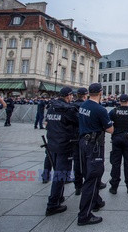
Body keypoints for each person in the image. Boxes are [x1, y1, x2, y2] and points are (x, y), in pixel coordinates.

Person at [77, 83, 113, 226]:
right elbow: (110, 129)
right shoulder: (100, 109)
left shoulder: (83, 105)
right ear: (100, 92)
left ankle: (96, 201)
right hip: (94, 146)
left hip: (84, 143)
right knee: (92, 178)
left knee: (91, 174)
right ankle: (84, 215)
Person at [45, 87, 77, 216]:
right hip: (64, 144)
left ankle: (59, 197)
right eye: (71, 96)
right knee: (61, 174)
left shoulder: (52, 106)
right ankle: (52, 204)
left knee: (59, 173)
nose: (72, 98)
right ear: (68, 96)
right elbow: (78, 121)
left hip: (52, 143)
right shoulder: (68, 109)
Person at [108, 94, 128, 194]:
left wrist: (114, 132)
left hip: (116, 138)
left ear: (119, 101)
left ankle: (114, 187)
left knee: (115, 163)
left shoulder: (114, 111)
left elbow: (107, 123)